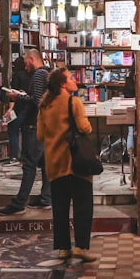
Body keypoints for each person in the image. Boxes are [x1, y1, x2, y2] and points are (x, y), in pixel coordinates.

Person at [36, 66, 97, 263]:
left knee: (60, 207)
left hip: (54, 163)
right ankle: (81, 247)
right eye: (71, 78)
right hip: (76, 163)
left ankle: (63, 248)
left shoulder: (44, 106)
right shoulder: (74, 102)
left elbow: (40, 135)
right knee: (83, 206)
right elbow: (84, 127)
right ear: (63, 84)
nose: (74, 80)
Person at [0, 48, 51, 214]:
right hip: (42, 125)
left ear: (31, 58)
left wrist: (17, 96)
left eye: (26, 61)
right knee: (45, 165)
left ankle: (19, 203)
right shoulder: (47, 73)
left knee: (29, 165)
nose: (25, 65)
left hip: (33, 125)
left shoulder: (37, 75)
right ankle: (46, 198)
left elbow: (36, 101)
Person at [4, 56, 30, 162]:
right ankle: (25, 155)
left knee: (13, 130)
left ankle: (14, 155)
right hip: (29, 107)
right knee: (26, 132)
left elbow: (13, 95)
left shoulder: (17, 76)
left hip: (18, 107)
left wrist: (10, 108)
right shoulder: (31, 75)